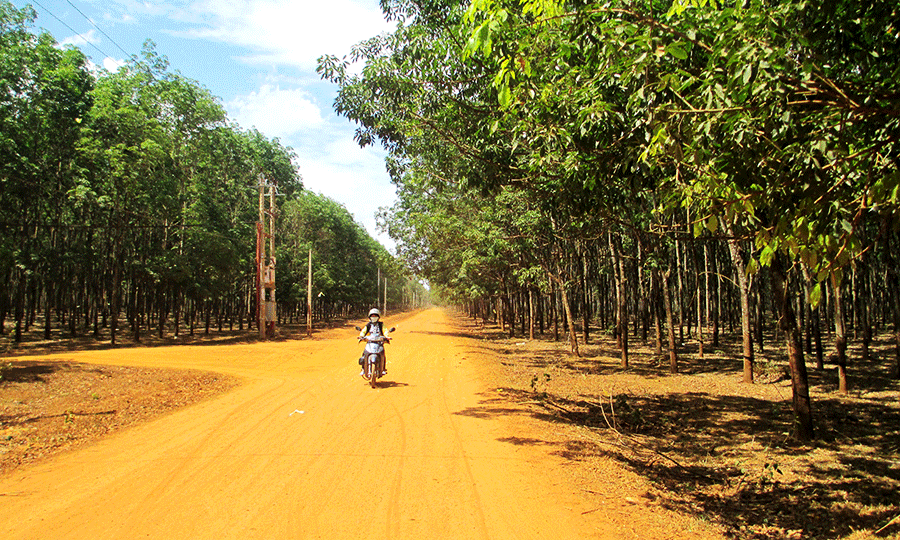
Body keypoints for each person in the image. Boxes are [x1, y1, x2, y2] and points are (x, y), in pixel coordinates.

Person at [358, 308, 389, 377]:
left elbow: (385, 331)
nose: (374, 317)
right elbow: (363, 331)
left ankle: (383, 369)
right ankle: (363, 368)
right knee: (364, 353)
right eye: (372, 316)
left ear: (378, 317)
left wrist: (386, 336)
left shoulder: (381, 325)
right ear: (369, 317)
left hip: (379, 342)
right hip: (370, 342)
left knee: (382, 354)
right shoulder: (368, 325)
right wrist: (361, 336)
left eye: (375, 316)